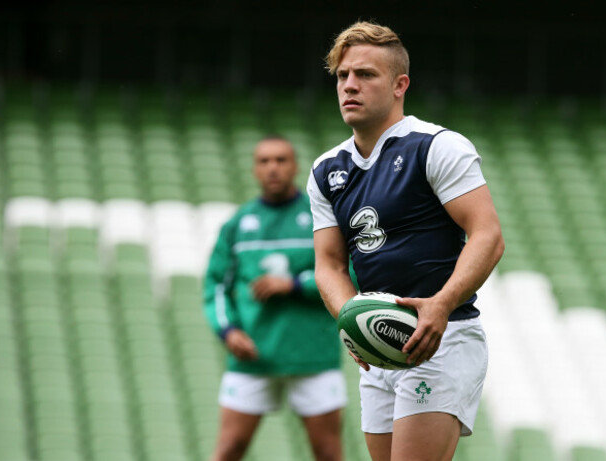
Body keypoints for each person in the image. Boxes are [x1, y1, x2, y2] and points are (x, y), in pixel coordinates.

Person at [307, 21, 505, 461]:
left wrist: (441, 302)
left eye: (365, 75)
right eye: (342, 76)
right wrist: (351, 320)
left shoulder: (437, 146)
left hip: (443, 338)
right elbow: (329, 265)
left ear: (400, 85)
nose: (349, 86)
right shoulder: (326, 170)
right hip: (382, 349)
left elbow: (488, 236)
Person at [204, 136, 347, 461]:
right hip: (253, 356)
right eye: (265, 161)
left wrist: (294, 285)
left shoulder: (320, 218)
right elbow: (216, 287)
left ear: (295, 166)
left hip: (313, 356)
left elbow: (346, 274)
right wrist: (228, 331)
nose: (273, 168)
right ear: (255, 169)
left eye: (281, 160)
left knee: (328, 453)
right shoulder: (238, 225)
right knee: (228, 450)